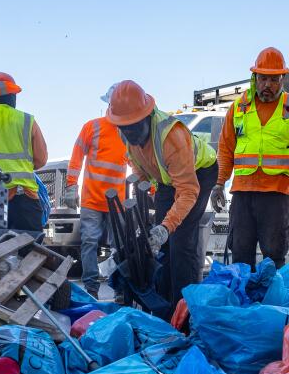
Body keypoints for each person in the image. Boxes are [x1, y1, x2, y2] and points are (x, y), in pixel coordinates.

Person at [106, 80, 218, 307]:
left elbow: (188, 191)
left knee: (180, 240)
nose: (128, 133)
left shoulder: (171, 137)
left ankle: (183, 311)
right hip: (168, 178)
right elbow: (139, 163)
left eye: (133, 126)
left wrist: (167, 227)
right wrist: (144, 186)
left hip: (199, 173)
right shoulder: (127, 134)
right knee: (160, 245)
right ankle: (163, 304)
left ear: (146, 117)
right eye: (123, 127)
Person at [211, 47, 289, 269]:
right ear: (255, 78)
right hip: (243, 195)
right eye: (263, 79)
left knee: (273, 256)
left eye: (274, 79)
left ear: (282, 79)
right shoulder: (238, 108)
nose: (267, 85)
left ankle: (271, 300)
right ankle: (245, 302)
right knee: (241, 255)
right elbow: (225, 150)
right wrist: (218, 183)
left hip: (275, 195)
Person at [65, 87, 128, 297]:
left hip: (116, 201)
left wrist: (153, 186)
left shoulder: (127, 131)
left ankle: (120, 286)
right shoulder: (92, 127)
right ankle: (91, 287)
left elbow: (138, 163)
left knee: (118, 245)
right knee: (90, 241)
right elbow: (76, 156)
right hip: (93, 199)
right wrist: (71, 184)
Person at [0, 72, 49, 232]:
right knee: (31, 252)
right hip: (24, 199)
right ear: (13, 95)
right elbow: (41, 159)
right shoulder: (27, 120)